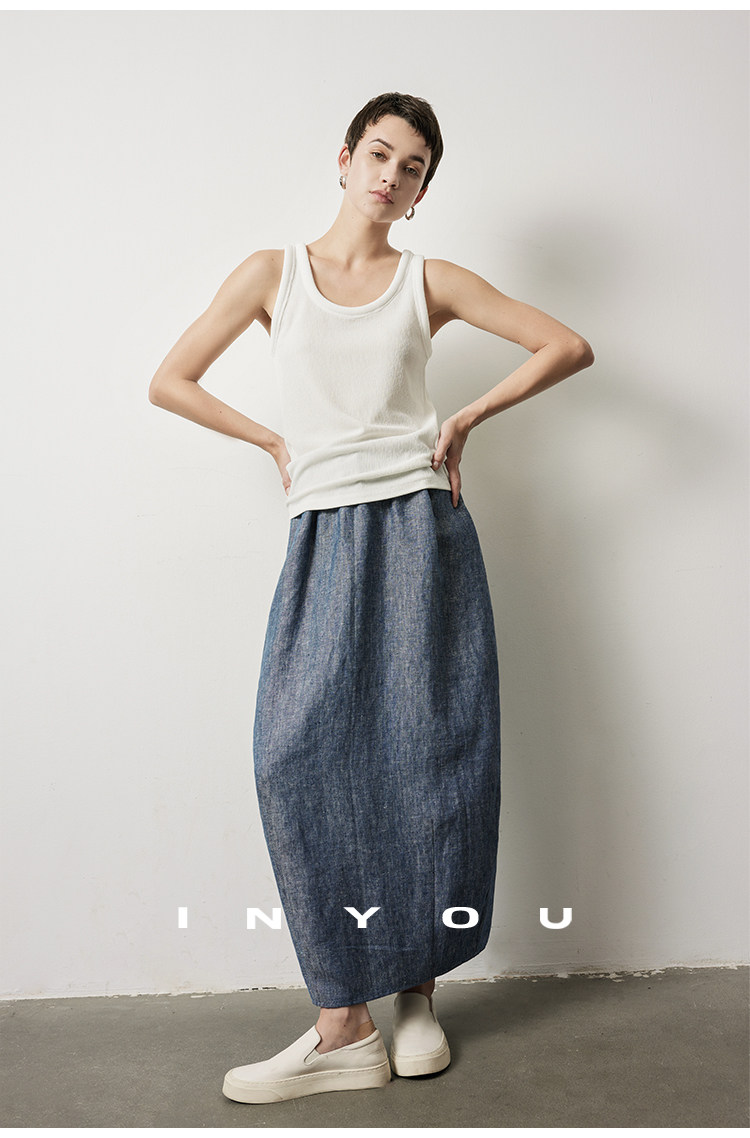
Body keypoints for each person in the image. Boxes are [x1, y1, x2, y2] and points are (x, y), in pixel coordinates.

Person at [148, 91, 594, 1105]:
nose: (391, 176)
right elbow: (171, 379)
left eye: (413, 168)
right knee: (293, 755)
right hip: (322, 532)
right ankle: (343, 1021)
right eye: (380, 154)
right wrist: (272, 440)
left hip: (423, 529)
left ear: (422, 190)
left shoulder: (430, 281)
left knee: (428, 754)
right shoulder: (271, 274)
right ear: (344, 158)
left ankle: (416, 998)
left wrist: (467, 416)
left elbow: (566, 345)